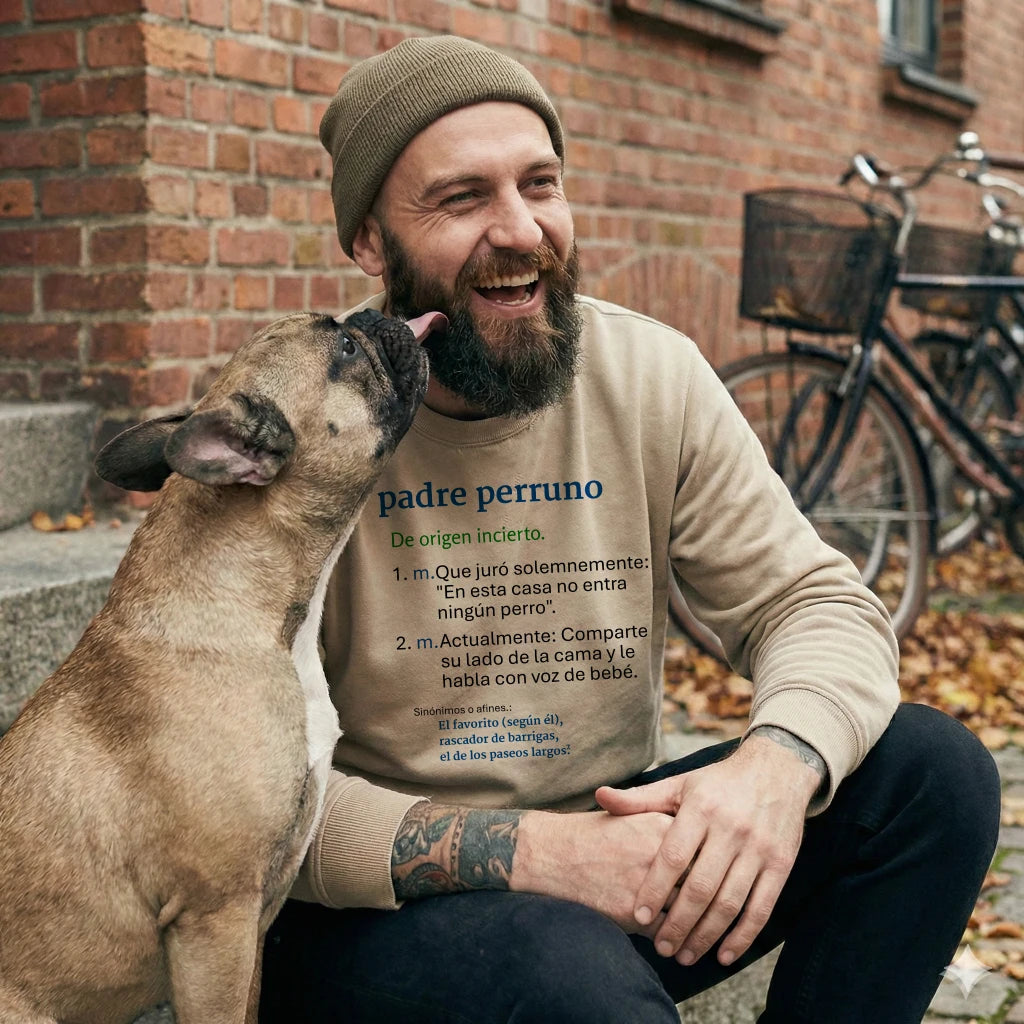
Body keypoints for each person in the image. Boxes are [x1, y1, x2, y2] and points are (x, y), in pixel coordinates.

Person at [259, 35, 1001, 1023]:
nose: (520, 229)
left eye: (540, 184)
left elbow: (813, 602)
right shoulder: (299, 431)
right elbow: (251, 799)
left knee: (933, 777)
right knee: (565, 969)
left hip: (619, 857)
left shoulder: (648, 375)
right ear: (368, 243)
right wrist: (542, 853)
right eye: (462, 198)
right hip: (371, 914)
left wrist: (775, 768)